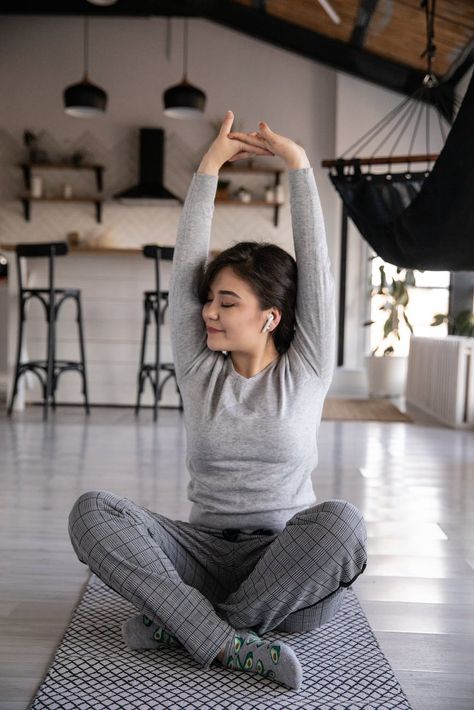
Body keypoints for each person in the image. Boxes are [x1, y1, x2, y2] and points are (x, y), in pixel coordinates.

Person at [68, 111, 367, 692]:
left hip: (284, 563)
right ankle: (229, 641)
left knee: (343, 524)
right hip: (199, 555)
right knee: (91, 512)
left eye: (227, 302)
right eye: (209, 300)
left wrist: (299, 165)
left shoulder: (305, 367)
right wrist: (207, 166)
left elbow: (319, 274)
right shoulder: (200, 368)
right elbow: (185, 268)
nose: (209, 311)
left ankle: (186, 628)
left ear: (271, 316)